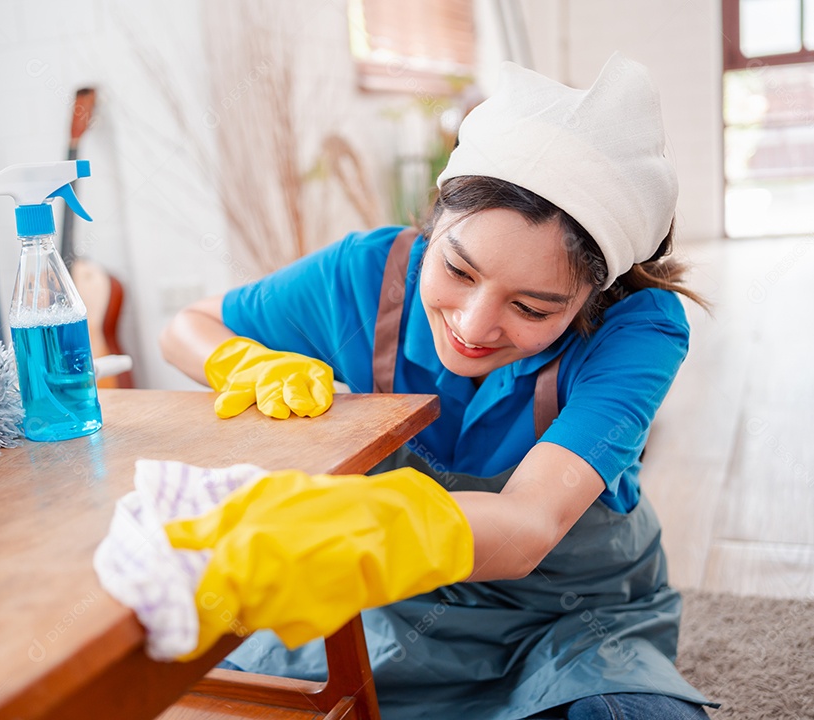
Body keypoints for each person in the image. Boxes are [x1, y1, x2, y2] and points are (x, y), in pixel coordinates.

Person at [160, 53, 715, 720]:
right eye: (457, 269)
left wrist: (364, 527)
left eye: (534, 309)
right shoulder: (363, 276)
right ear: (435, 222)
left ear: (590, 296)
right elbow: (187, 327)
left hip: (571, 625)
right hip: (400, 608)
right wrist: (243, 363)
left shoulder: (639, 330)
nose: (474, 327)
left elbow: (527, 526)